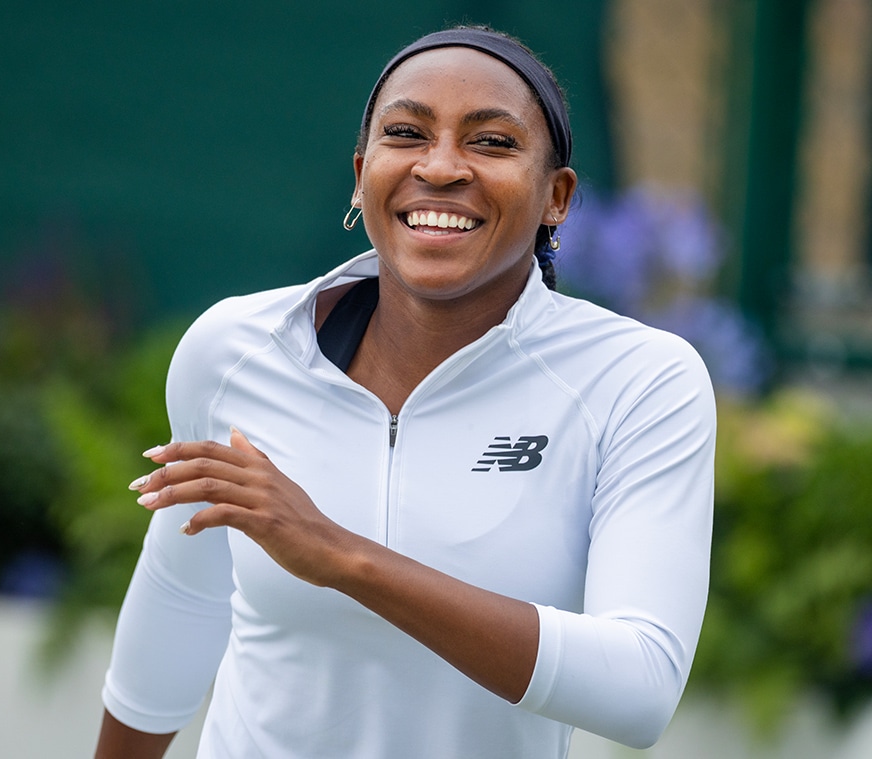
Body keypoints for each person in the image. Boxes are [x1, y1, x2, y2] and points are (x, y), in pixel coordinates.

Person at [94, 26, 715, 759]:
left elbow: (640, 687)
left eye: (492, 142)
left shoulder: (639, 380)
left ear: (558, 197)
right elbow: (182, 598)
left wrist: (342, 555)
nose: (442, 166)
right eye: (406, 132)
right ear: (363, 174)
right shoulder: (233, 351)